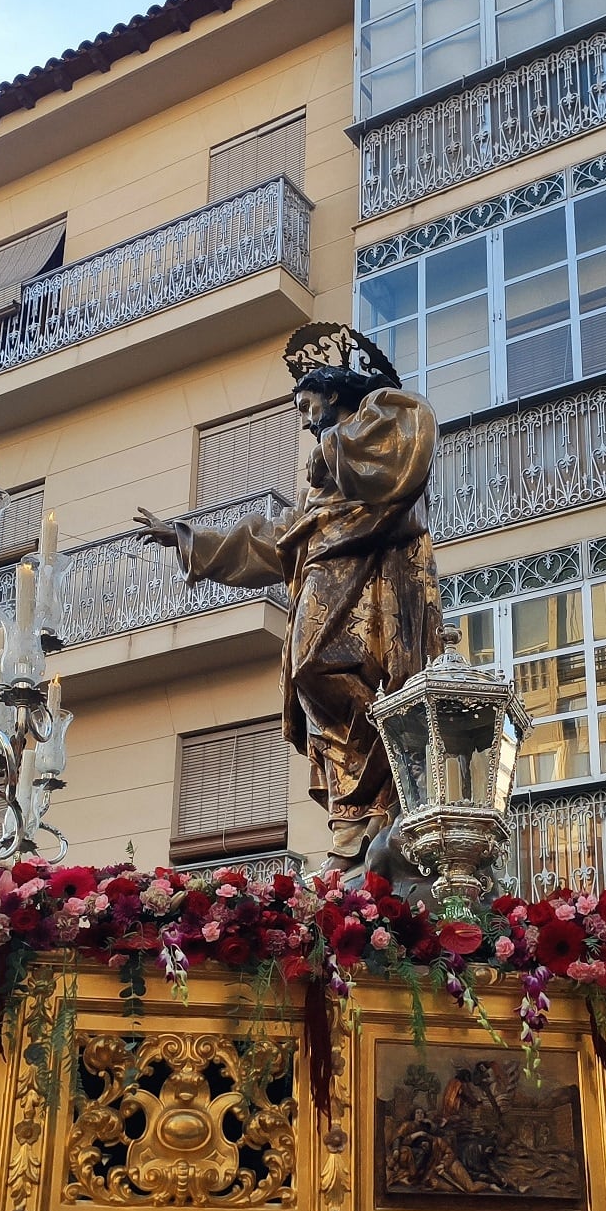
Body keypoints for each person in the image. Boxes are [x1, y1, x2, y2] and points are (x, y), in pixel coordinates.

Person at [136, 324, 443, 874]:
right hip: (322, 578)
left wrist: (333, 449)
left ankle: (386, 798)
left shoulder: (383, 417)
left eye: (309, 404)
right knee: (312, 682)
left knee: (328, 669)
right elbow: (272, 539)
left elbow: (406, 448)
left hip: (368, 584)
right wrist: (189, 539)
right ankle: (358, 818)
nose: (306, 420)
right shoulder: (318, 486)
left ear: (337, 395)